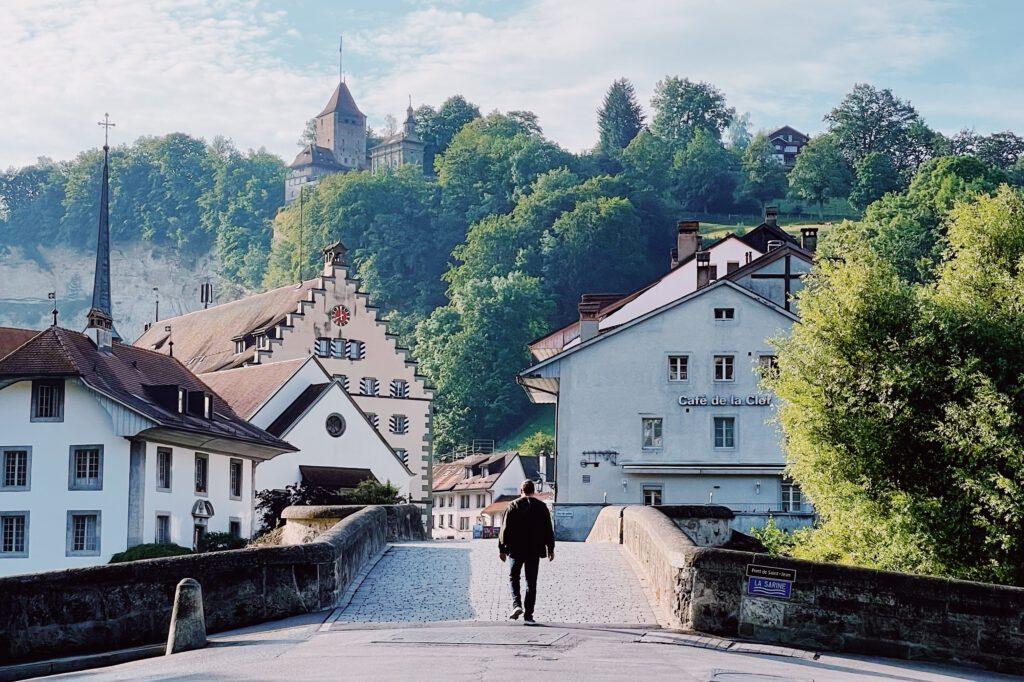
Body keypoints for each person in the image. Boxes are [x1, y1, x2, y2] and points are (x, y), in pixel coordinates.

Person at [498, 479, 554, 624]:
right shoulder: (542, 507)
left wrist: (502, 549)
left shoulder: (513, 505)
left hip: (515, 550)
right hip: (534, 550)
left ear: (521, 490)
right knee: (531, 582)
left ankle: (517, 605)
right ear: (533, 491)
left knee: (514, 577)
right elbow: (548, 529)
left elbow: (504, 529)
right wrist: (551, 549)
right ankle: (528, 615)